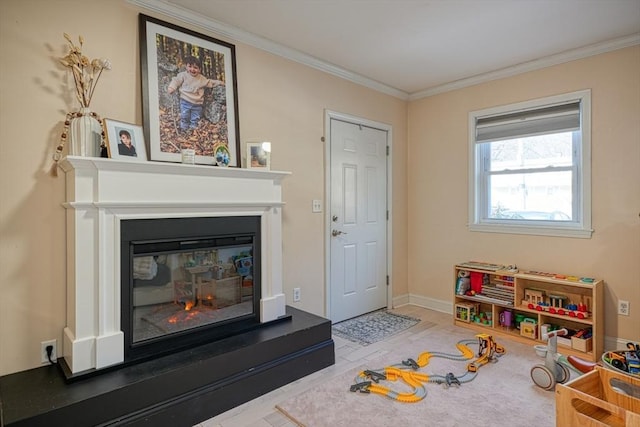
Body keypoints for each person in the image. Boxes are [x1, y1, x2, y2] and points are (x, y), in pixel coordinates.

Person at [167, 55, 225, 133]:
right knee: (185, 116)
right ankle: (183, 129)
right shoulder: (183, 75)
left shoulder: (201, 79)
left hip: (197, 103)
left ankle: (192, 129)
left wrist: (220, 82)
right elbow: (176, 81)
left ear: (199, 69)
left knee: (195, 117)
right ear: (186, 67)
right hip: (185, 101)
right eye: (190, 66)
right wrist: (172, 88)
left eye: (195, 68)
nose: (192, 69)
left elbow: (210, 82)